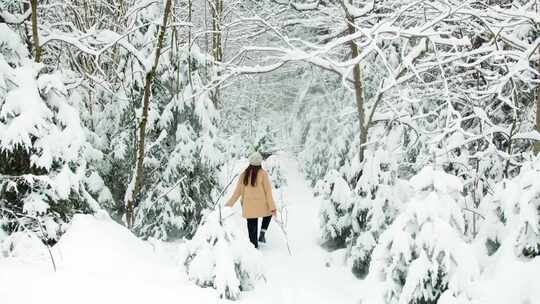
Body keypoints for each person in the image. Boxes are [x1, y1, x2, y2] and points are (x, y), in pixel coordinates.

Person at [226, 152, 277, 249]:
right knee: (269, 213)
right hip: (261, 205)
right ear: (260, 163)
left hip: (248, 207)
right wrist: (272, 207)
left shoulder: (244, 175)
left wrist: (227, 206)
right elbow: (268, 192)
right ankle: (262, 232)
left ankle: (254, 247)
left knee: (252, 228)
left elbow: (237, 193)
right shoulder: (263, 174)